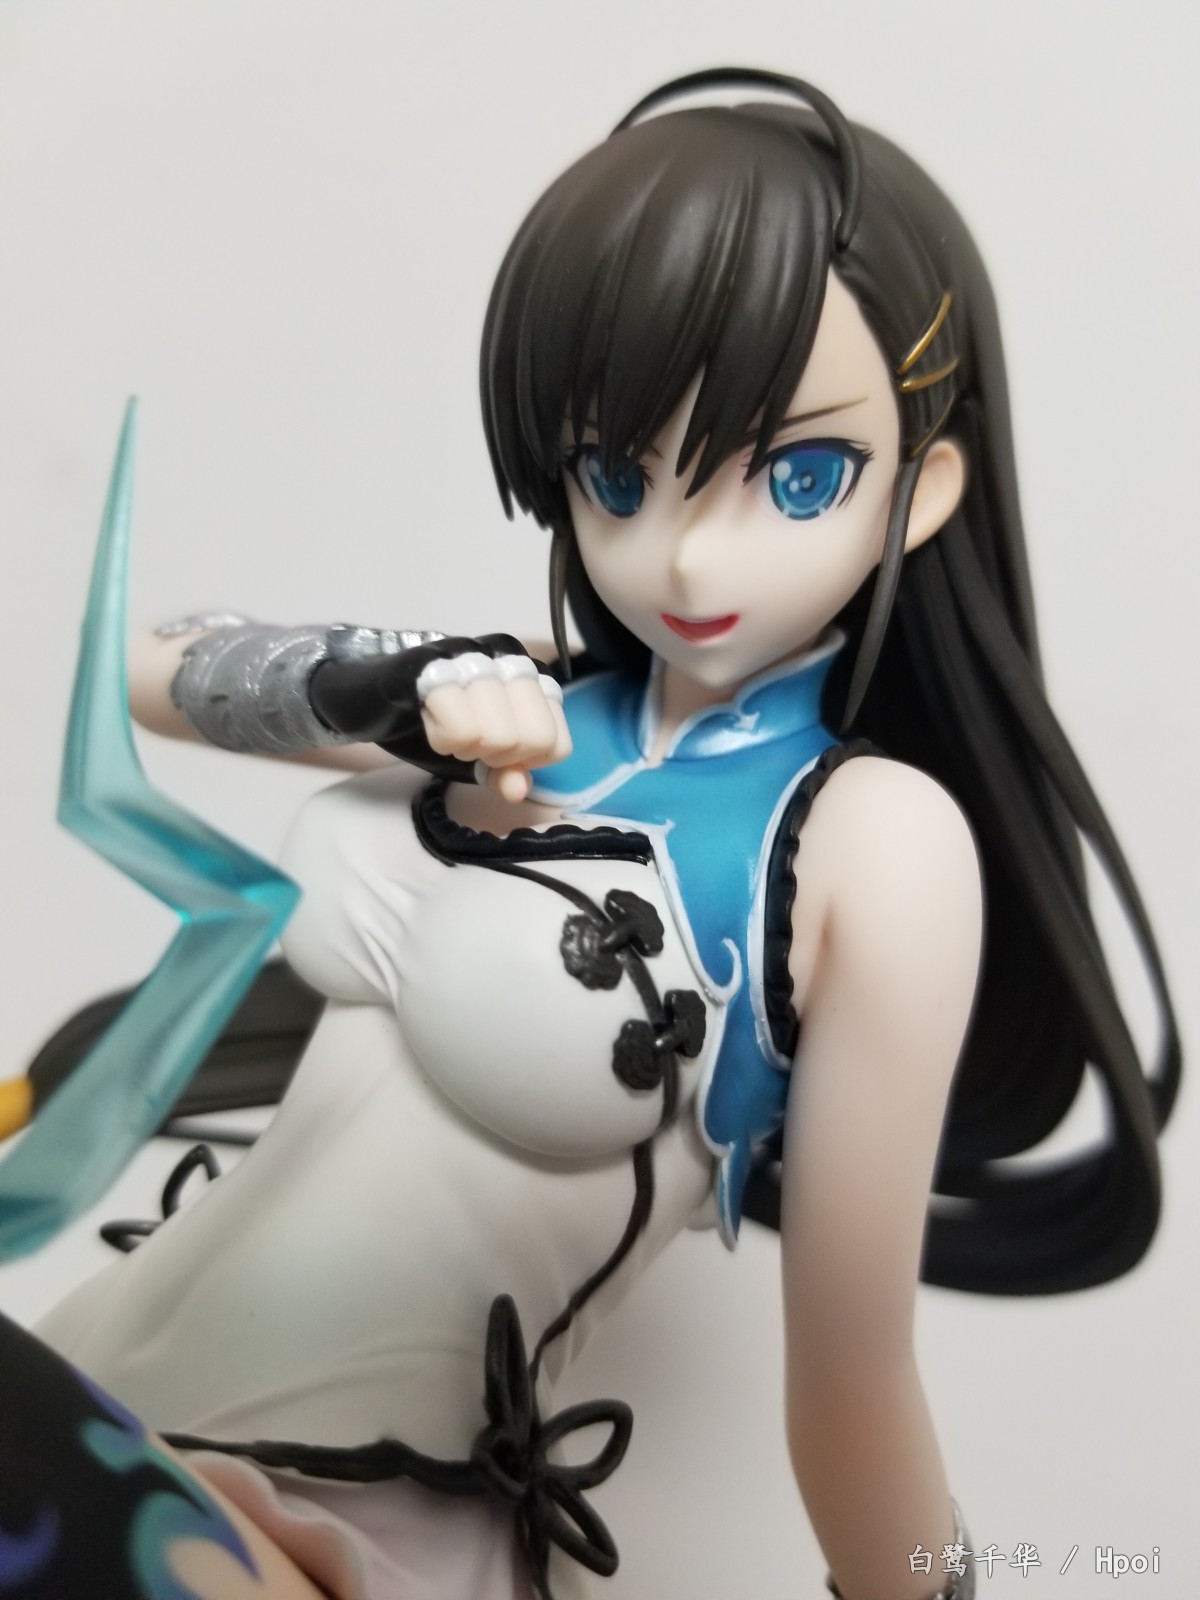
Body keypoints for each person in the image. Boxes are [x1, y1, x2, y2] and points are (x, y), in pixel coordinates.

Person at [0, 69, 1178, 1600]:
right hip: (104, 1385)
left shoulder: (868, 849)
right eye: (619, 476)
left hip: (328, 1528)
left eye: (796, 475)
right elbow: (152, 668)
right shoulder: (523, 696)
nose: (685, 557)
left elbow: (853, 1377)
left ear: (927, 482)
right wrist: (391, 691)